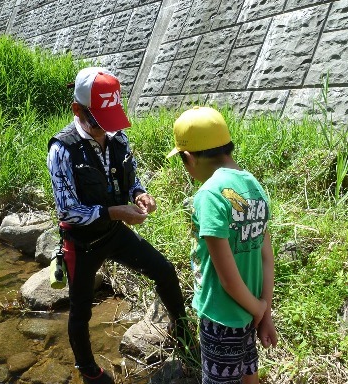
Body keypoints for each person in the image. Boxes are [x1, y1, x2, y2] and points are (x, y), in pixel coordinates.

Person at [47, 67, 188, 384]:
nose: (104, 131)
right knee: (80, 311)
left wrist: (140, 195)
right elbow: (68, 210)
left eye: (109, 121)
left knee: (164, 270)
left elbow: (131, 180)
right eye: (98, 121)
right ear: (77, 110)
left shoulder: (117, 136)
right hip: (81, 243)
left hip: (113, 233)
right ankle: (89, 371)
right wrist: (115, 212)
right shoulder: (62, 150)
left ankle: (182, 331)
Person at [167, 106, 278, 384]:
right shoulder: (253, 186)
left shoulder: (209, 195)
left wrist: (259, 310)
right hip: (250, 311)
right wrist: (264, 309)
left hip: (220, 316)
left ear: (188, 157)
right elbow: (267, 257)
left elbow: (227, 280)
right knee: (248, 371)